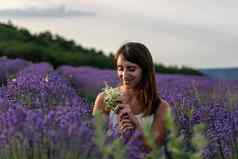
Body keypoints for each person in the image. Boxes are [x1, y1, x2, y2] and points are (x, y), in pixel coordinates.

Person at [93, 42, 170, 148]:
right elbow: (94, 142)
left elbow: (156, 146)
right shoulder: (104, 99)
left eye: (131, 69)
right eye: (120, 68)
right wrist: (118, 135)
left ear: (145, 70)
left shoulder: (161, 107)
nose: (124, 75)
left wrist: (136, 127)